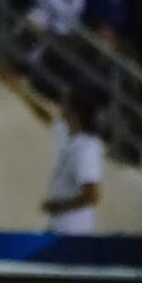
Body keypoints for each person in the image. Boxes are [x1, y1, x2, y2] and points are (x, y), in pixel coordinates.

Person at [42, 94, 103, 235]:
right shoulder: (69, 138)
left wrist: (58, 206)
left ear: (74, 113)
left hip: (72, 232)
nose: (61, 109)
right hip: (58, 228)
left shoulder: (86, 148)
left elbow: (91, 195)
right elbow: (46, 117)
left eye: (65, 105)